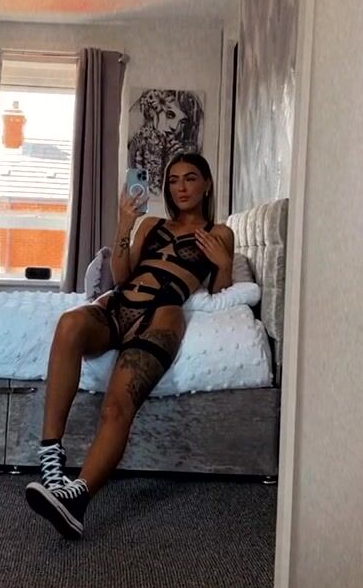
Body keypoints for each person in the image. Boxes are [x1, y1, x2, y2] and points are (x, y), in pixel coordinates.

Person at [24, 152, 235, 539]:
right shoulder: (151, 225)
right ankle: (51, 461)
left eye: (190, 178)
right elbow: (121, 274)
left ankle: (77, 500)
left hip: (163, 315)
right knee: (70, 324)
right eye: (174, 180)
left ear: (206, 184)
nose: (181, 187)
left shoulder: (220, 233)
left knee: (117, 406)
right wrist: (125, 223)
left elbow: (221, 293)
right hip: (119, 304)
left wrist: (223, 265)